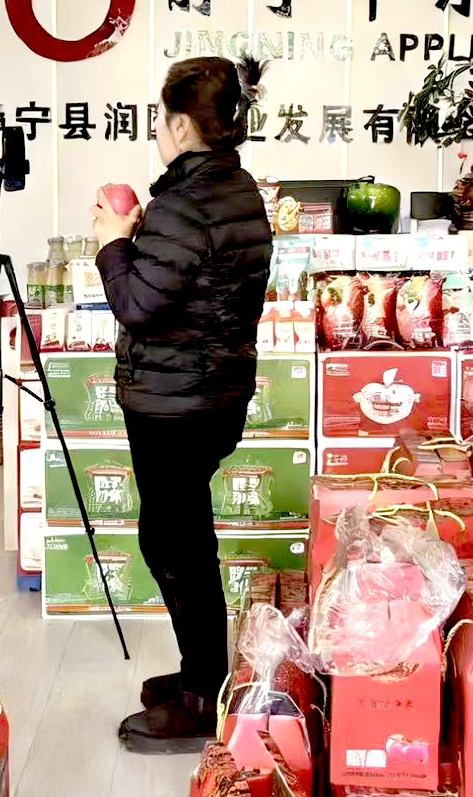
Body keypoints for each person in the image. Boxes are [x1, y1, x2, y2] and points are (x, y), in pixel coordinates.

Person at [90, 54, 273, 754]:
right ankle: (203, 673)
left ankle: (202, 696)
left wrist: (112, 243)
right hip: (216, 393)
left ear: (181, 124)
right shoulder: (235, 189)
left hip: (175, 402)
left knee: (176, 543)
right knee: (180, 536)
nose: (158, 131)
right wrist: (143, 238)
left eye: (161, 119)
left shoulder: (183, 203)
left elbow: (137, 304)